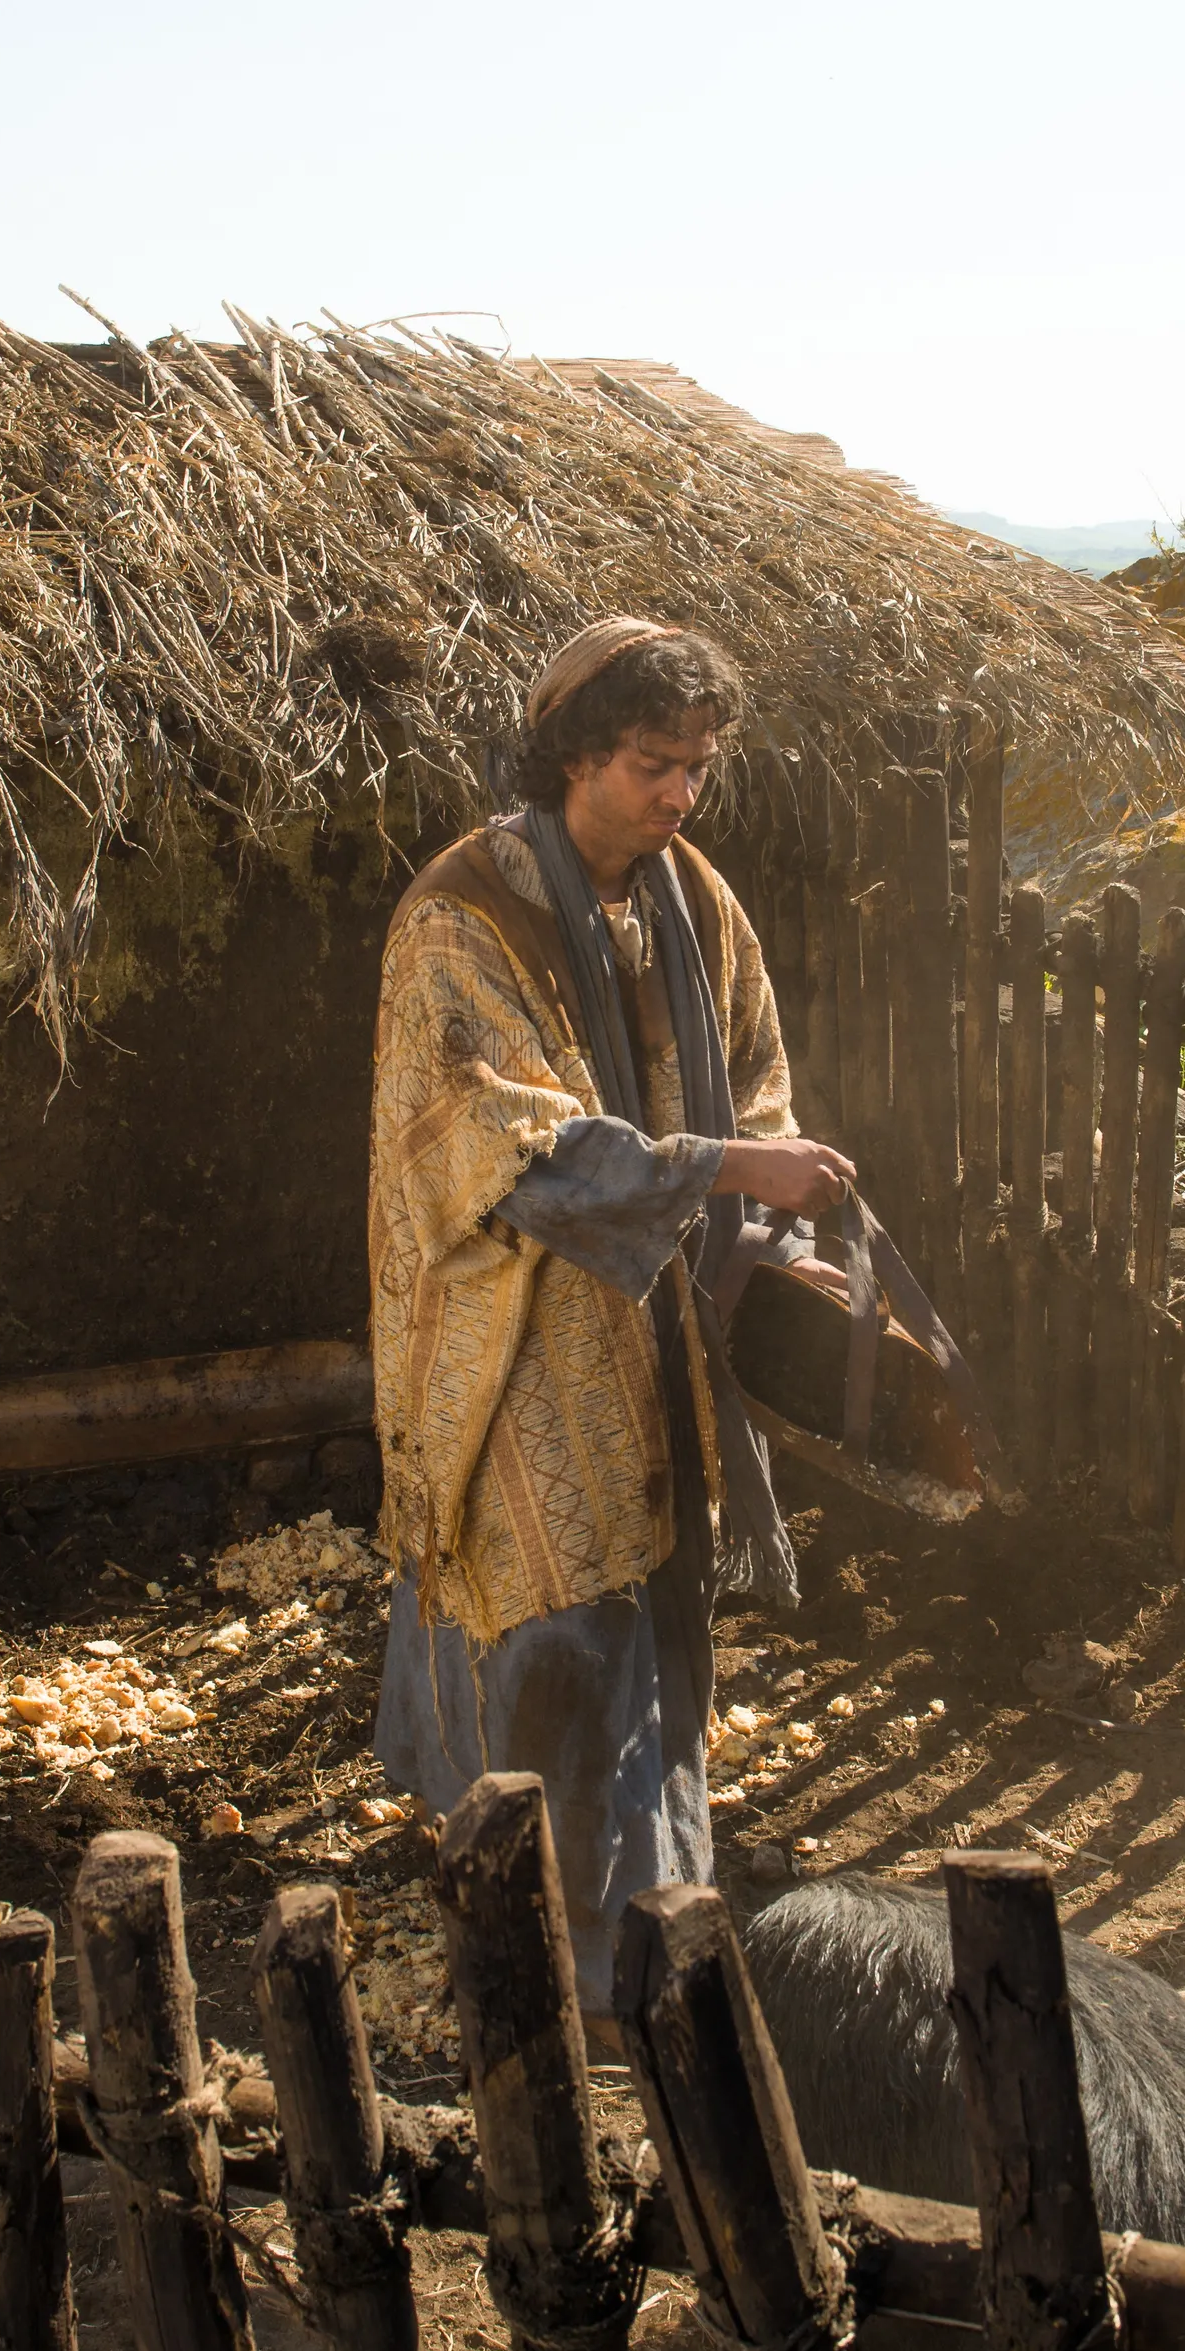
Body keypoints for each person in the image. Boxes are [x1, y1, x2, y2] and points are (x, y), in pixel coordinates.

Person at [366, 616, 854, 2028]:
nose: (679, 796)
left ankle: (649, 1914)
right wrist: (717, 1170)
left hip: (664, 1335)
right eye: (653, 764)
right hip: (521, 1339)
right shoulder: (464, 915)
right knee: (559, 1616)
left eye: (696, 767)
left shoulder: (693, 899)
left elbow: (751, 1076)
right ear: (574, 754)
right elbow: (501, 1143)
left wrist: (761, 1223)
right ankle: (554, 1945)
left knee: (657, 1609)